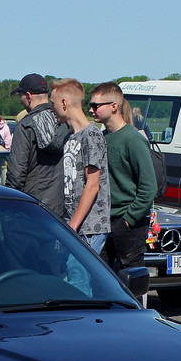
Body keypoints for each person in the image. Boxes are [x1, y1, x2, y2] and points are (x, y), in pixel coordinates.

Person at [89, 82, 156, 271]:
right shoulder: (101, 137)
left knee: (129, 280)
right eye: (90, 105)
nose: (91, 110)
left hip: (127, 224)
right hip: (103, 221)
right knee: (103, 277)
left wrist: (129, 219)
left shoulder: (133, 140)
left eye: (96, 106)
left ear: (114, 106)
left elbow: (149, 188)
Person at [50, 79, 109, 251]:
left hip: (88, 229)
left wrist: (72, 226)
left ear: (64, 102)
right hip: (72, 227)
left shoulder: (91, 136)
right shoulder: (70, 137)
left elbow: (92, 185)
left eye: (53, 104)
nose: (52, 109)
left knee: (79, 278)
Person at [5, 73, 69, 215]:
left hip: (31, 209)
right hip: (61, 212)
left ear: (28, 96)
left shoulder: (25, 126)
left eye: (20, 96)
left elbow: (16, 175)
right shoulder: (67, 124)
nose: (21, 101)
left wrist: (7, 211)